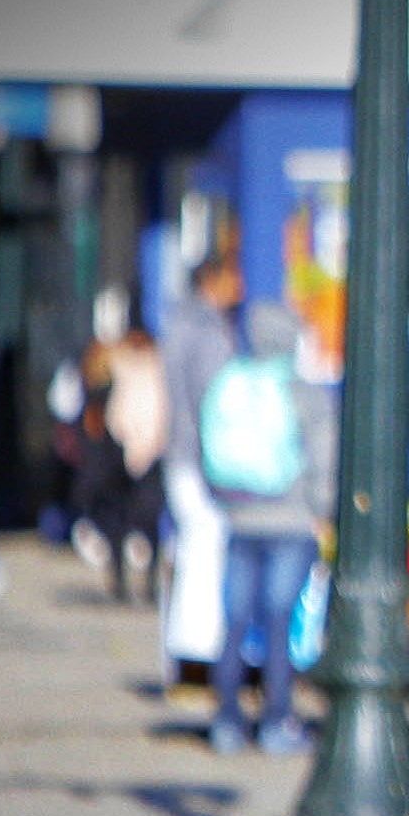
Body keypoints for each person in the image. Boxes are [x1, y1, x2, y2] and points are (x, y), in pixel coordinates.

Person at [202, 303, 336, 756]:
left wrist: (225, 501)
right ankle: (277, 721)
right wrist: (323, 509)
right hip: (292, 521)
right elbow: (323, 459)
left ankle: (226, 722)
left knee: (235, 622)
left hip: (239, 517)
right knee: (281, 625)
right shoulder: (304, 393)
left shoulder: (229, 384)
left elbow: (209, 449)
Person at [161, 254, 245, 669]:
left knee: (190, 548)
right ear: (214, 280)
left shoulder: (178, 324)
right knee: (204, 552)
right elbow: (213, 404)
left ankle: (184, 654)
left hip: (180, 453)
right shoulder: (208, 331)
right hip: (200, 459)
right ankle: (197, 657)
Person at [101, 327, 172, 604]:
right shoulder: (160, 371)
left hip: (122, 453)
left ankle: (122, 581)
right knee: (150, 523)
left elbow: (113, 417)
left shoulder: (119, 370)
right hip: (152, 454)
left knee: (122, 522)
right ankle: (149, 584)